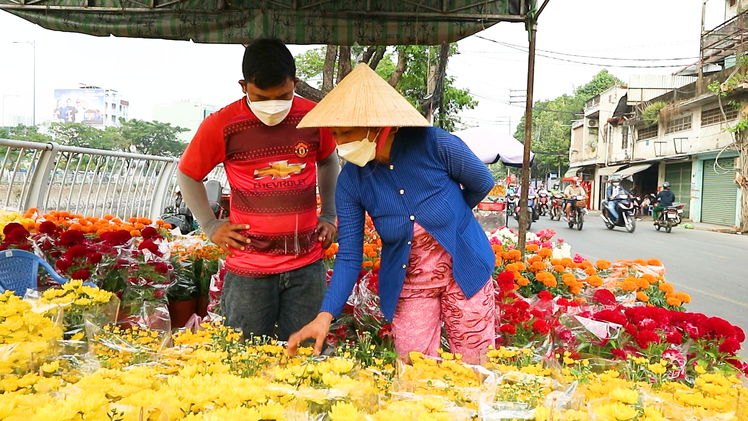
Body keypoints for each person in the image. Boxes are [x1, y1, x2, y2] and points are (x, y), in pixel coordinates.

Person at [286, 63, 496, 364]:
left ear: (383, 126)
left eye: (347, 132)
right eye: (334, 133)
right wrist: (325, 314)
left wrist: (455, 217)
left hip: (466, 272)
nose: (340, 143)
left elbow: (482, 182)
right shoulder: (351, 183)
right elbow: (349, 256)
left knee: (475, 366)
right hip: (410, 283)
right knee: (414, 370)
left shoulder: (435, 144)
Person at [176, 38, 340, 342]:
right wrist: (211, 225)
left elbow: (329, 160)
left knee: (304, 358)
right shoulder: (222, 124)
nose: (272, 106)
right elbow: (187, 174)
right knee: (245, 358)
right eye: (261, 97)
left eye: (284, 95)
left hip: (306, 266)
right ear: (243, 86)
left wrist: (329, 214)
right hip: (249, 270)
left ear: (296, 83)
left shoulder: (315, 116)